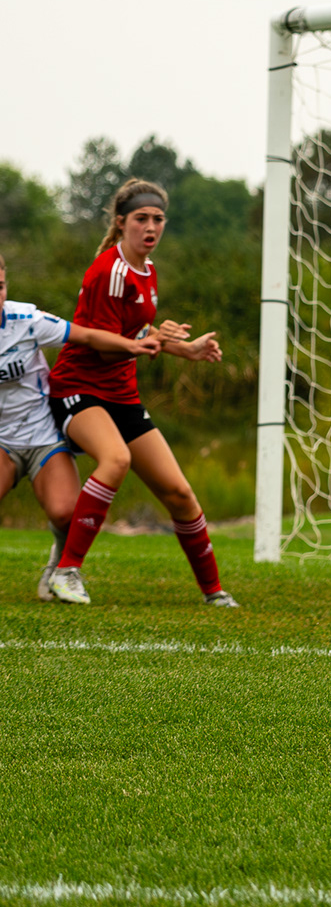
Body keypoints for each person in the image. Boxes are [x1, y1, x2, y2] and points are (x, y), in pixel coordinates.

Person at [45, 178, 232, 606]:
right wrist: (151, 340)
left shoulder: (147, 270)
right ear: (120, 222)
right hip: (79, 388)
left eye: (158, 219)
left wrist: (187, 348)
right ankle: (66, 572)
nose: (150, 227)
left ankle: (215, 593)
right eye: (141, 218)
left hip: (121, 394)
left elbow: (137, 332)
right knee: (116, 460)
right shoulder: (109, 271)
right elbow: (105, 348)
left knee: (180, 493)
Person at [0, 254, 163, 604]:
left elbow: (86, 335)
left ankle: (57, 567)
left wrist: (133, 345)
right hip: (2, 441)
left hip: (43, 435)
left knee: (65, 513)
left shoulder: (26, 319)